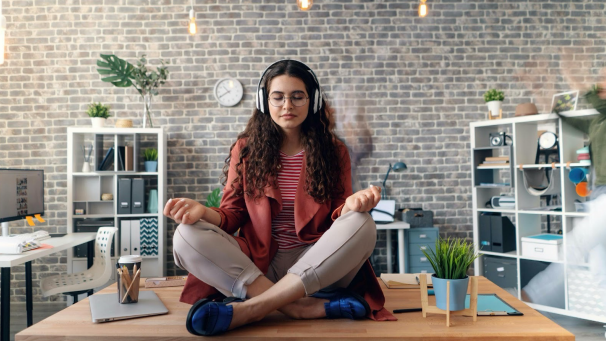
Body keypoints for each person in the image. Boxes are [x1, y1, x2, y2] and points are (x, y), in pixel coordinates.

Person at [164, 59, 396, 336]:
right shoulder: (246, 149)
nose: (288, 105)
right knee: (185, 235)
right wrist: (202, 212)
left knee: (362, 223)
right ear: (265, 102)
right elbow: (232, 214)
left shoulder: (335, 151)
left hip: (316, 263)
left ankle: (253, 308)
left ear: (313, 101)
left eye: (298, 97)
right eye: (278, 97)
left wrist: (352, 205)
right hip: (257, 267)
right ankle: (298, 307)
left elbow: (338, 214)